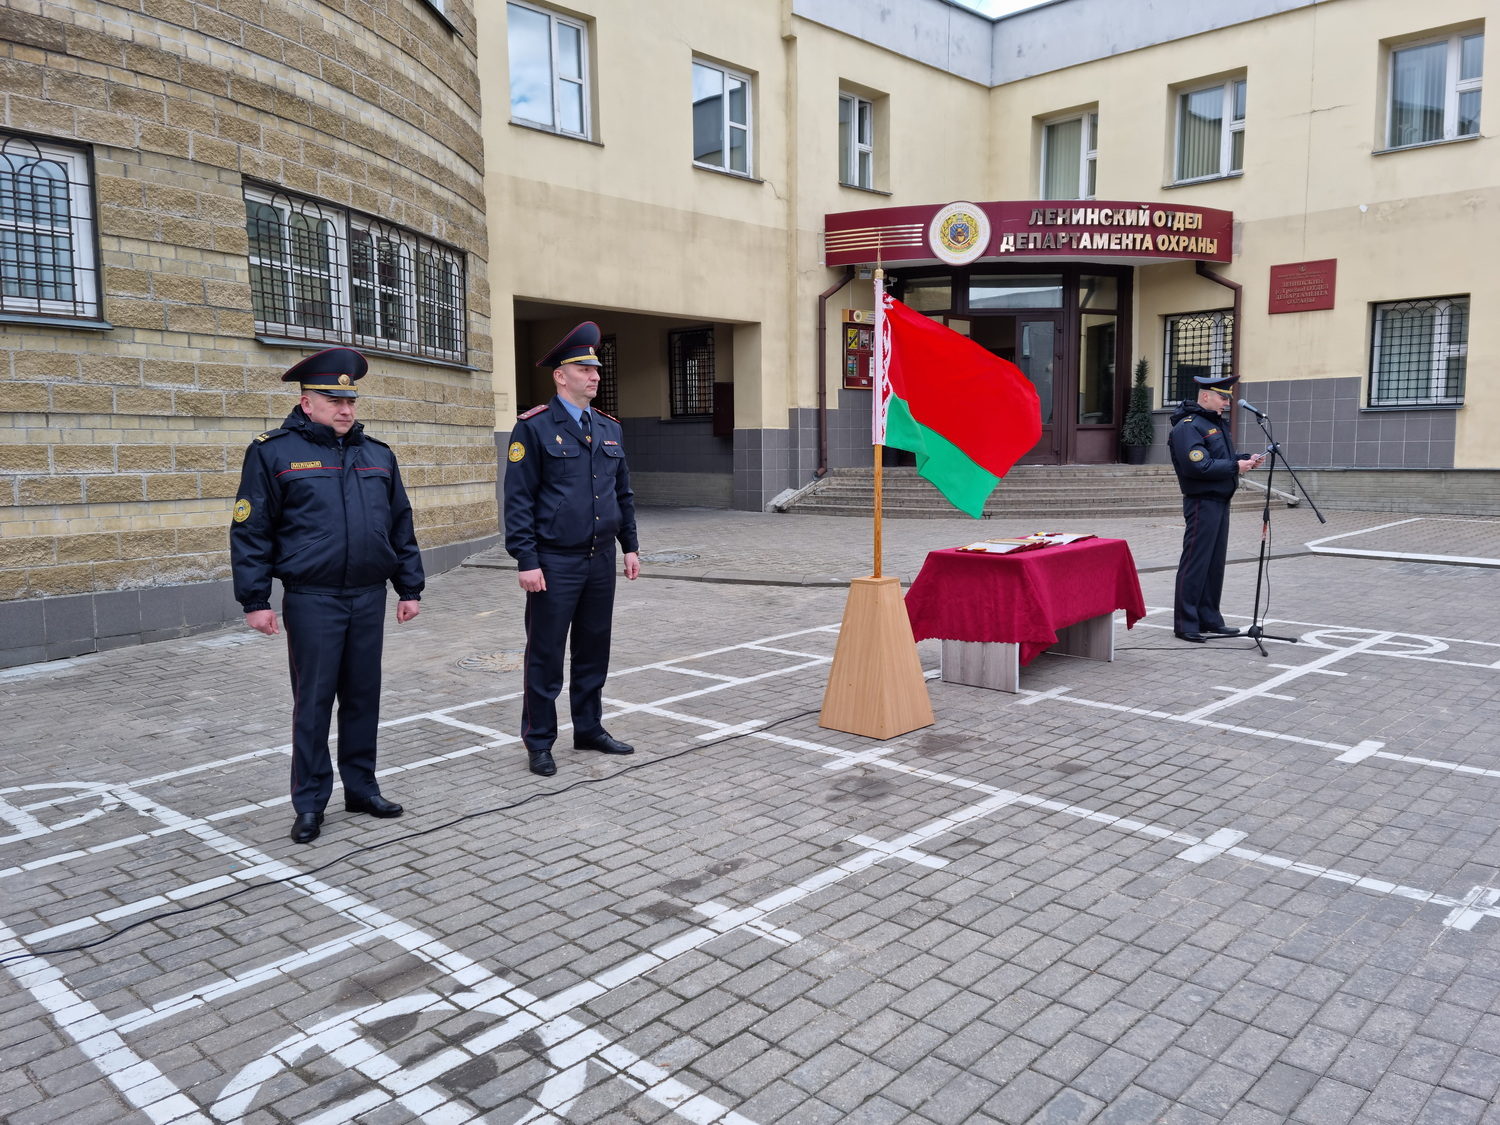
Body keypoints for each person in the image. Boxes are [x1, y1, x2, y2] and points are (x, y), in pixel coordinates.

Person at [230, 348, 425, 843]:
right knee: (314, 702)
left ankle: (361, 788)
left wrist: (409, 586)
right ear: (306, 401)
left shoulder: (378, 454)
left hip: (367, 595)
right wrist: (254, 601)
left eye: (350, 400)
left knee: (363, 699)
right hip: (312, 597)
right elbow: (251, 531)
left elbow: (400, 524)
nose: (345, 409)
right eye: (332, 399)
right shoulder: (272, 452)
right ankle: (311, 802)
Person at [503, 321, 640, 777]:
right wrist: (526, 559)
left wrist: (630, 547)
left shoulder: (609, 428)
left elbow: (623, 494)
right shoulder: (535, 428)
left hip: (599, 559)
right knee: (545, 654)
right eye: (584, 368)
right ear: (561, 376)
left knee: (592, 649)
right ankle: (539, 742)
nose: (594, 375)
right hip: (554, 562)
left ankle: (589, 729)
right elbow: (518, 500)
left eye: (596, 368)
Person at [1168, 373, 1264, 643]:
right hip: (1202, 501)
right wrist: (1236, 467)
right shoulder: (1189, 426)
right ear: (1206, 395)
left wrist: (1244, 459)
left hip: (1220, 500)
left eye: (1228, 398)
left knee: (1213, 564)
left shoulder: (1214, 423)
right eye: (1223, 397)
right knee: (1195, 563)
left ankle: (1209, 618)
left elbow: (1218, 458)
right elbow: (1198, 465)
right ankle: (1186, 624)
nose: (1227, 402)